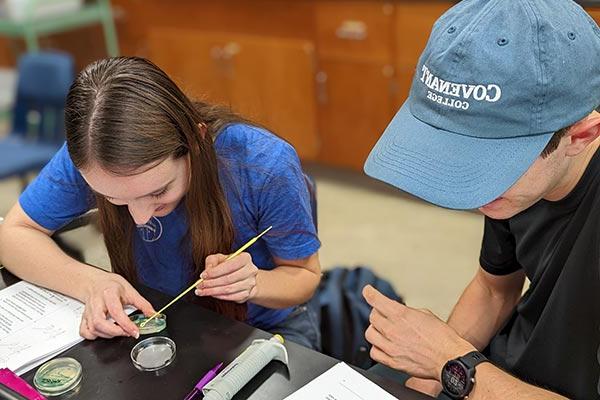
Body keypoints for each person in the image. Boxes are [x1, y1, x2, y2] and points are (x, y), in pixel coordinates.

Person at [361, 0, 600, 399]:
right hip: (500, 371)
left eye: (491, 162)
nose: (469, 191)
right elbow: (494, 289)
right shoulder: (518, 184)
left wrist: (450, 361)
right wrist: (424, 380)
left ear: (580, 136)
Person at [0, 57, 322, 350]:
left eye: (158, 192)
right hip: (162, 323)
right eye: (116, 200)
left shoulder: (264, 165)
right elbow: (13, 234)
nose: (140, 219)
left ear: (195, 142)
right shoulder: (94, 154)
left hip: (263, 331)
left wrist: (254, 283)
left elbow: (304, 276)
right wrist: (92, 282)